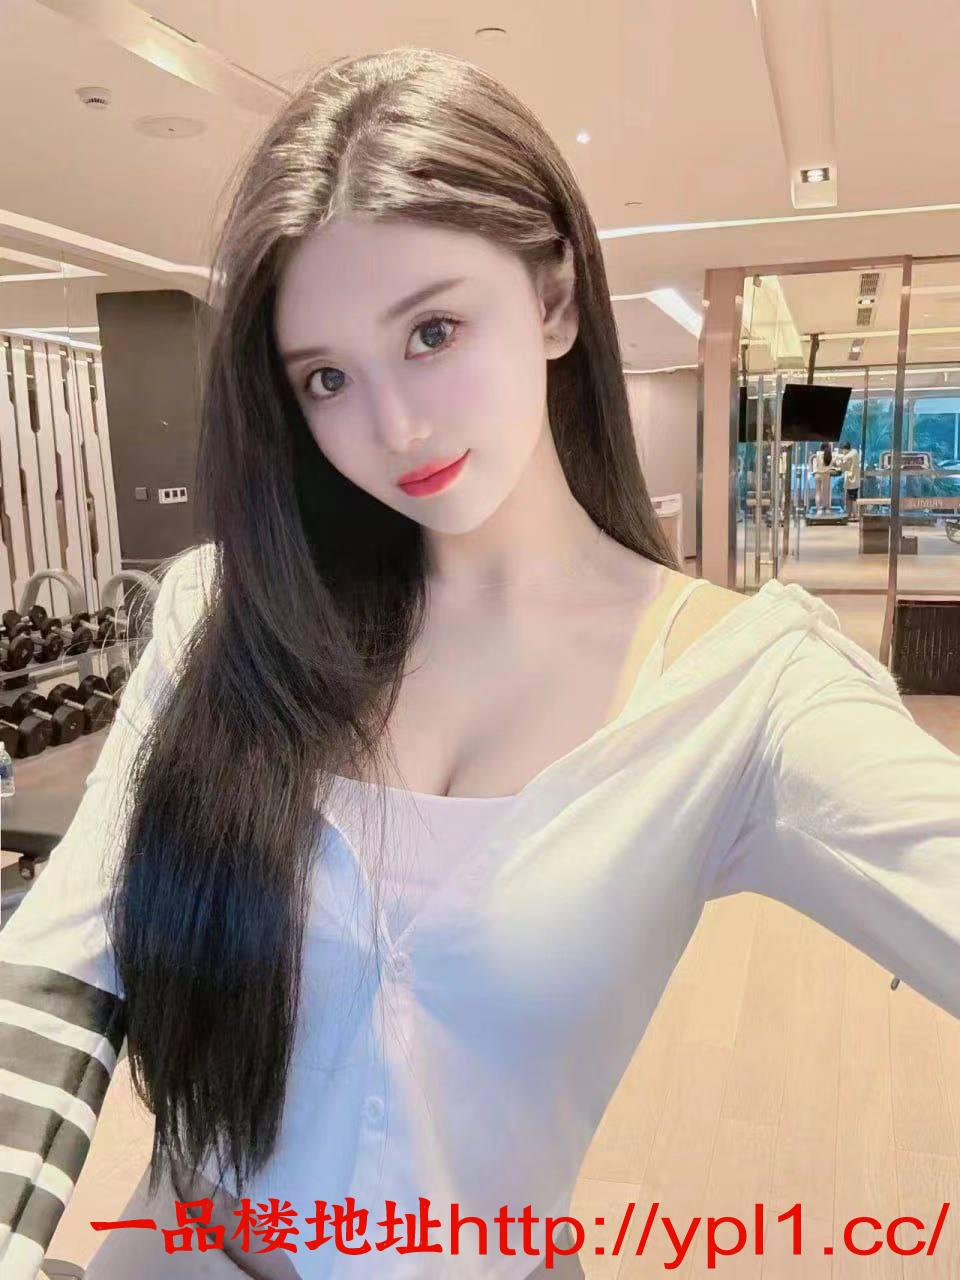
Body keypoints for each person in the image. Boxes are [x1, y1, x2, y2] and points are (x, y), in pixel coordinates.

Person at [1, 46, 959, 1280]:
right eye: (327, 377)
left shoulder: (746, 691)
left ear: (554, 299)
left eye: (434, 330)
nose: (394, 424)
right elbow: (58, 958)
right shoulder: (225, 614)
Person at [837, 439, 862, 520]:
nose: (842, 452)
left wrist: (838, 459)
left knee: (852, 499)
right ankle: (851, 514)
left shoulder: (851, 454)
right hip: (853, 481)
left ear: (845, 449)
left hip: (852, 481)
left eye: (843, 450)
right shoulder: (854, 452)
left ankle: (853, 514)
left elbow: (843, 462)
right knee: (851, 498)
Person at [810, 441, 836, 515]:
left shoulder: (816, 454)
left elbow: (813, 466)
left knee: (818, 492)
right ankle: (827, 509)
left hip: (817, 474)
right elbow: (833, 465)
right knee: (826, 493)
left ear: (821, 447)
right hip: (826, 474)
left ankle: (819, 509)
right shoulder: (830, 455)